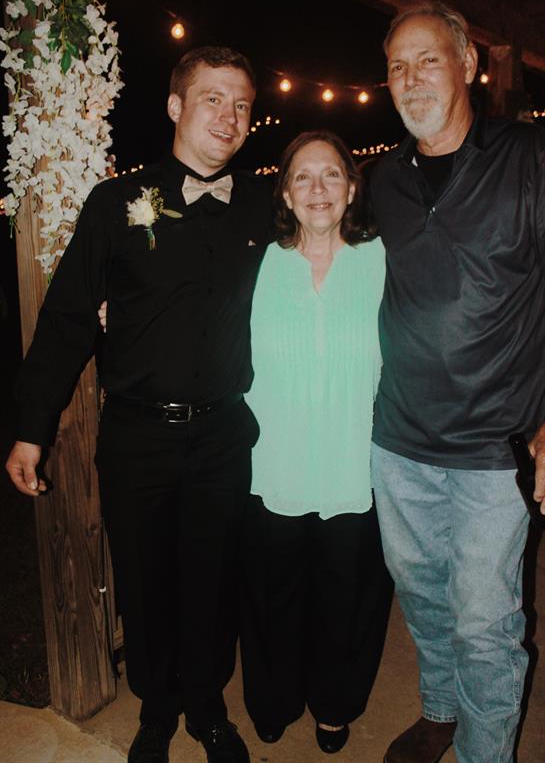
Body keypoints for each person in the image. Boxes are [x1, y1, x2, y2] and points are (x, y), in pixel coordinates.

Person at [5, 46, 273, 763]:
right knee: (146, 578)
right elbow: (65, 321)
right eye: (213, 97)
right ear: (175, 106)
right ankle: (156, 707)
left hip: (223, 436)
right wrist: (30, 430)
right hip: (137, 437)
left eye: (242, 103)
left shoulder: (260, 203)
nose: (230, 115)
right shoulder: (115, 203)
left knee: (214, 577)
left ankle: (208, 705)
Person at [367, 2, 545, 763]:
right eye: (396, 67)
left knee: (484, 623)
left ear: (470, 65)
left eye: (426, 59)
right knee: (422, 594)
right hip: (398, 442)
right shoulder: (382, 179)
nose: (410, 79)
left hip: (491, 449)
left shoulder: (528, 157)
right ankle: (439, 709)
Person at [240, 131, 392, 754]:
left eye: (331, 175)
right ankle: (273, 699)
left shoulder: (382, 257)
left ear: (352, 188)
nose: (318, 189)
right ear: (285, 192)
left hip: (355, 463)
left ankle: (335, 702)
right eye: (303, 177)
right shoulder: (257, 262)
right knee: (273, 596)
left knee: (347, 597)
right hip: (272, 461)